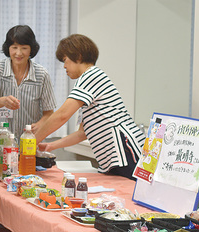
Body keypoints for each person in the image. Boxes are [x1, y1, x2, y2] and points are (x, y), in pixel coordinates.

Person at [0, 25, 56, 232]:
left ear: (32, 49)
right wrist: (2, 100)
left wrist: (34, 133)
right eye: (14, 47)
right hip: (1, 143)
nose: (18, 53)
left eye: (23, 47)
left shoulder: (41, 74)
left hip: (29, 147)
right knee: (0, 191)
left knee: (26, 195)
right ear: (7, 48)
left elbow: (49, 113)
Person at [36, 34, 146, 180]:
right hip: (117, 155)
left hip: (126, 149)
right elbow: (82, 133)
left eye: (65, 60)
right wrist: (51, 146)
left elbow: (62, 115)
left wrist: (33, 140)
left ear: (79, 56)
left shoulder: (91, 76)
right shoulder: (89, 81)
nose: (64, 66)